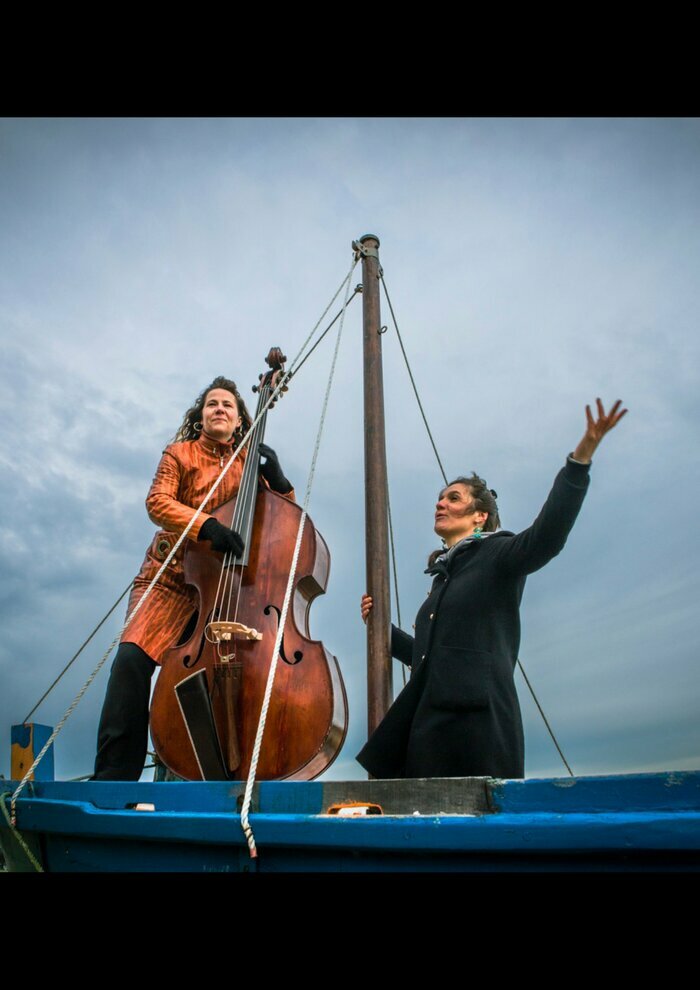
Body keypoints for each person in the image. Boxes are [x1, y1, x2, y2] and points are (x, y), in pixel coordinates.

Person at [357, 398, 627, 780]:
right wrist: (379, 627)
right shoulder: (441, 580)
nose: (441, 503)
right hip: (427, 728)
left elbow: (547, 536)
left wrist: (579, 462)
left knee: (479, 834)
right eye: (440, 497)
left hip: (476, 730)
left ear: (479, 515)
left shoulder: (499, 554)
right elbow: (425, 655)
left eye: (454, 498)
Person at [93, 375, 294, 780]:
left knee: (209, 677)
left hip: (220, 592)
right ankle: (113, 779)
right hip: (167, 581)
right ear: (200, 416)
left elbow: (283, 521)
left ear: (240, 421)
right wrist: (207, 526)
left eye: (228, 405)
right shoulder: (180, 453)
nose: (219, 408)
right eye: (211, 404)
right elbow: (158, 503)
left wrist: (281, 482)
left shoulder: (249, 467)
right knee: (131, 663)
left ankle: (200, 775)